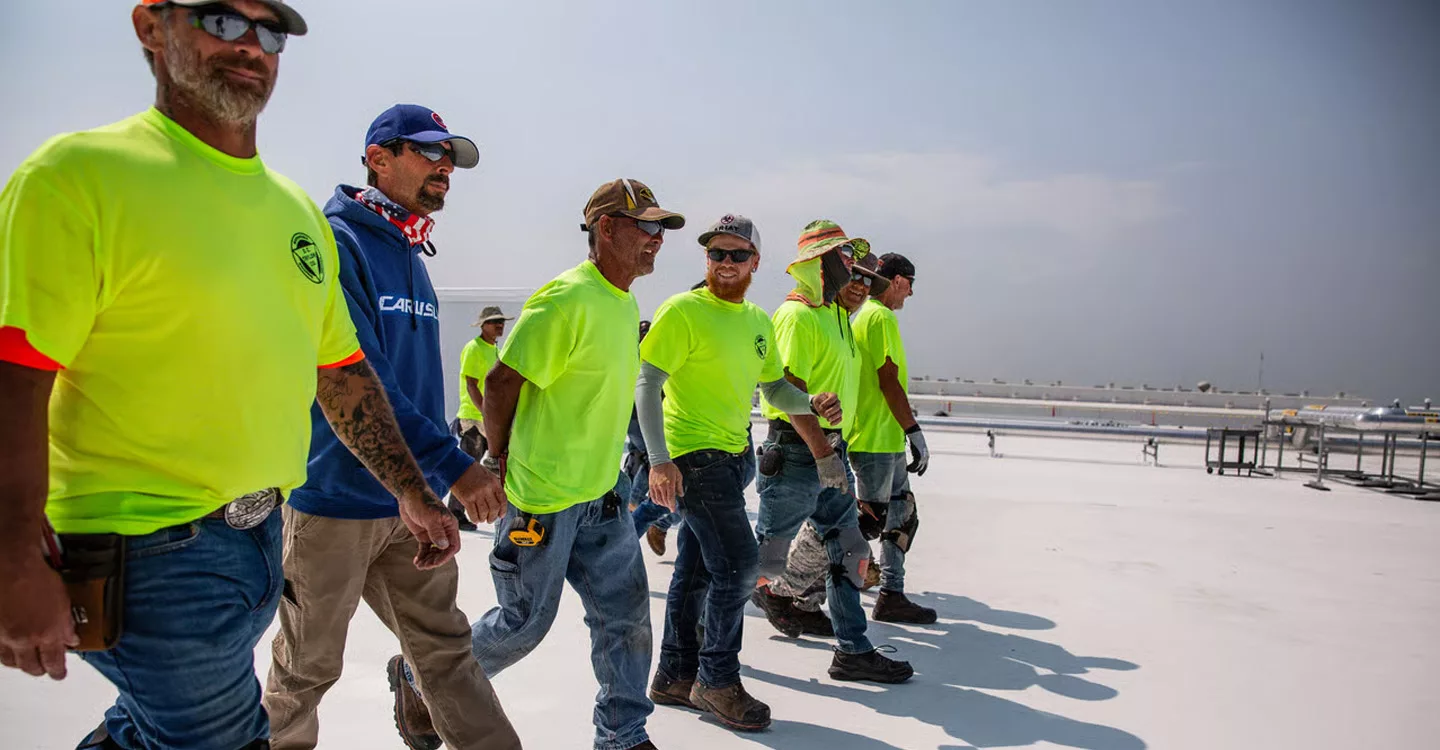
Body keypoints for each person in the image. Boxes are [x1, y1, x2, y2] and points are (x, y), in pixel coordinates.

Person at [0, 3, 463, 748]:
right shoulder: (78, 176)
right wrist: (12, 555)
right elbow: (13, 380)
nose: (249, 45)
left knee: (142, 733)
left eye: (269, 32)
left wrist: (412, 491)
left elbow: (341, 376)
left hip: (256, 543)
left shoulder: (292, 213)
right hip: (145, 551)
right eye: (219, 21)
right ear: (152, 28)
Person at [262, 105, 519, 750]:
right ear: (379, 156)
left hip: (410, 503)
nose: (445, 169)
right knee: (306, 669)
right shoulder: (333, 242)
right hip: (333, 502)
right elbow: (361, 378)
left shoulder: (411, 249)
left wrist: (426, 484)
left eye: (451, 159)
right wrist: (451, 466)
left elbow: (415, 391)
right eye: (430, 153)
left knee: (446, 652)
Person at [401, 178, 683, 750]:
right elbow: (501, 382)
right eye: (647, 227)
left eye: (661, 230)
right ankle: (416, 677)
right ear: (607, 228)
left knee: (626, 621)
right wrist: (497, 462)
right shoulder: (564, 299)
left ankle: (623, 736)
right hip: (542, 503)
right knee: (523, 624)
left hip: (603, 499)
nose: (657, 240)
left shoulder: (624, 302)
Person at [637, 215, 842, 731]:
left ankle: (674, 675)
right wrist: (659, 460)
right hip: (691, 456)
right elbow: (647, 383)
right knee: (738, 566)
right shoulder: (683, 310)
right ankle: (717, 679)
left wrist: (811, 402)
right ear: (706, 259)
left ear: (755, 261)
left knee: (697, 570)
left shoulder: (756, 319)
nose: (725, 263)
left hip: (734, 457)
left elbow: (774, 389)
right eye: (716, 254)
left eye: (736, 255)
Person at [750, 221, 913, 683]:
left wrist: (834, 450)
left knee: (850, 548)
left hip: (828, 452)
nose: (856, 278)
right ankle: (700, 644)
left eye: (861, 272)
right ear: (816, 264)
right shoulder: (797, 317)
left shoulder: (836, 316)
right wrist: (823, 451)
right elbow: (786, 392)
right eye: (845, 265)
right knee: (762, 563)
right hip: (798, 455)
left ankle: (853, 650)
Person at [846, 251, 935, 623]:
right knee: (863, 524)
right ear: (897, 280)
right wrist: (914, 430)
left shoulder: (862, 314)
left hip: (884, 438)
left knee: (902, 515)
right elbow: (888, 380)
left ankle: (891, 595)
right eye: (910, 285)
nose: (910, 294)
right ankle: (794, 591)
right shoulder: (879, 316)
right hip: (873, 440)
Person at [451, 305, 513, 529]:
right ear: (483, 325)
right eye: (495, 322)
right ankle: (455, 512)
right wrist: (485, 412)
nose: (500, 326)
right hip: (474, 417)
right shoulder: (474, 348)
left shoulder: (495, 349)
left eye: (502, 321)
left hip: (487, 417)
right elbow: (470, 383)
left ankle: (491, 509)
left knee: (492, 466)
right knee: (469, 465)